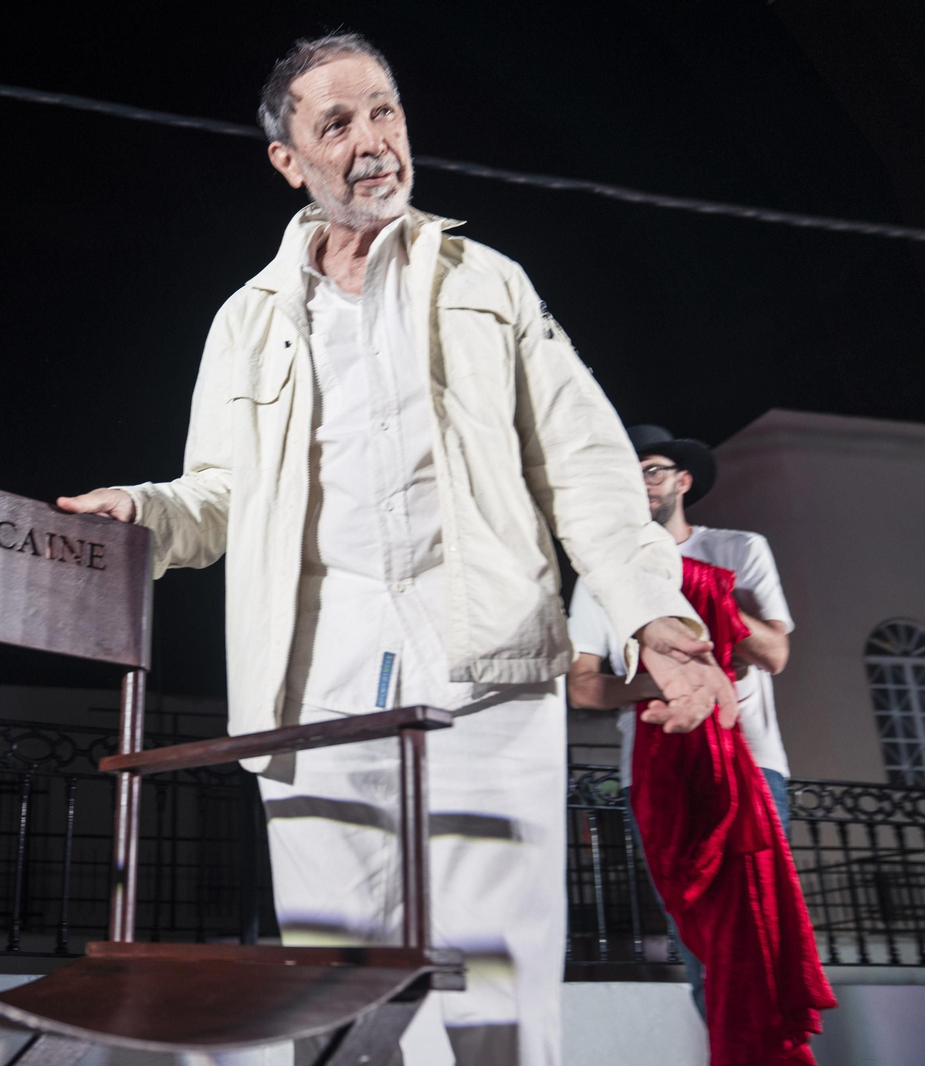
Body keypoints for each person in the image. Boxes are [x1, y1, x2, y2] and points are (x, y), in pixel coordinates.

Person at [58, 35, 736, 1066]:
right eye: (336, 124)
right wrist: (141, 514)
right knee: (332, 988)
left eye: (385, 112)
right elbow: (220, 493)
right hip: (315, 675)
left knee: (498, 983)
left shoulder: (487, 282)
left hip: (485, 661)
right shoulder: (246, 322)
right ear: (289, 159)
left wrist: (661, 618)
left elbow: (585, 461)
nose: (373, 141)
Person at [566, 424, 795, 1017]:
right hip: (655, 770)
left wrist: (704, 602)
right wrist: (657, 680)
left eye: (654, 470)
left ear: (682, 480)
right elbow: (583, 687)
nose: (641, 483)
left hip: (750, 760)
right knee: (697, 937)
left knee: (759, 931)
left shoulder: (738, 551)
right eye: (628, 473)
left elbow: (774, 654)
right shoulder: (602, 579)